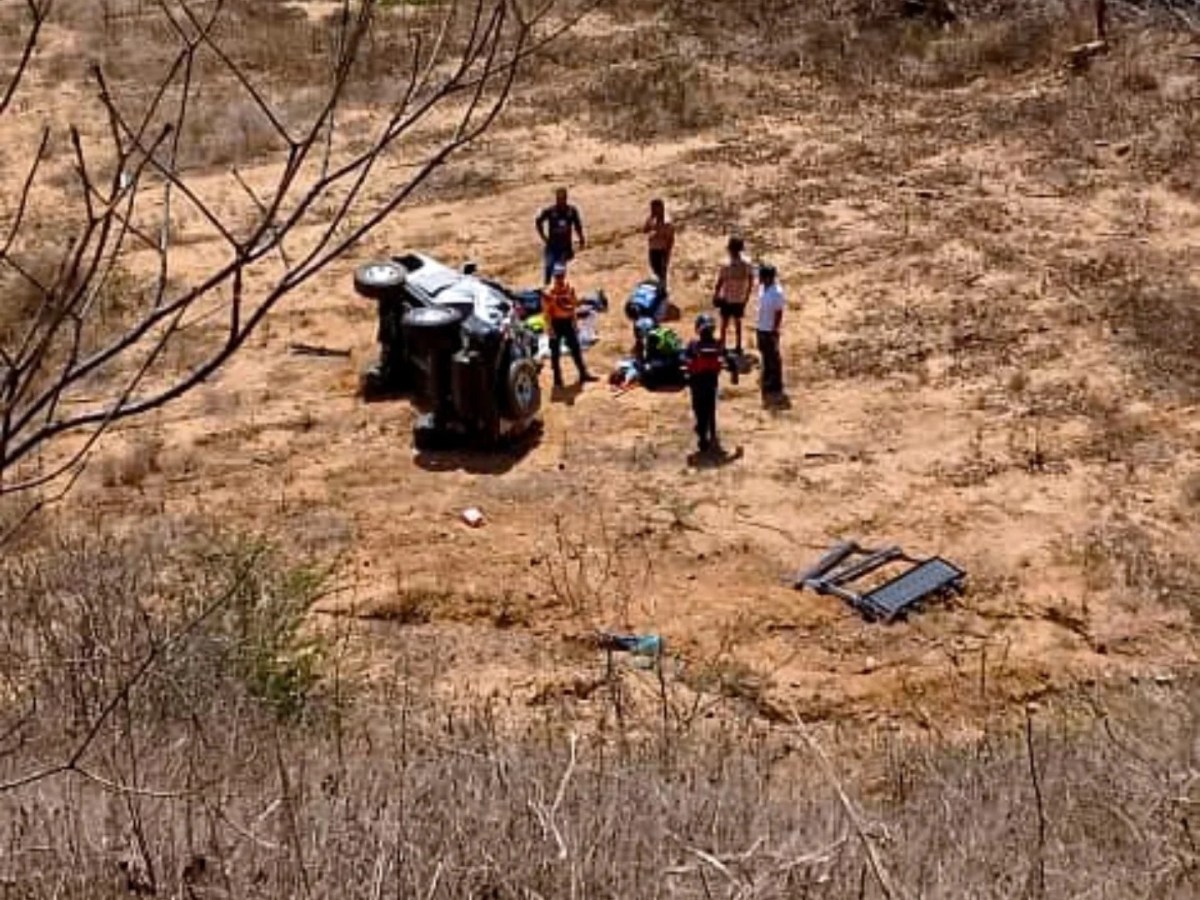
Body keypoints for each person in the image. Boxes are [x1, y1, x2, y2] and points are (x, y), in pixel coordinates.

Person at [542, 262, 597, 388]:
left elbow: (573, 306)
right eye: (557, 276)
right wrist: (550, 329)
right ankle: (557, 380)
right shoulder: (549, 292)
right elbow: (546, 313)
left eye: (561, 276)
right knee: (555, 353)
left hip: (567, 322)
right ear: (554, 276)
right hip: (555, 323)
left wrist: (574, 322)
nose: (560, 279)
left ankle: (583, 374)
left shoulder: (569, 288)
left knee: (576, 349)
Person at [685, 313, 724, 453]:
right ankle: (711, 434)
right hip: (711, 383)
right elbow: (727, 358)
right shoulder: (718, 345)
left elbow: (684, 358)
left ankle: (703, 437)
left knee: (699, 409)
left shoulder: (693, 345)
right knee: (710, 408)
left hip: (696, 383)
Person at [712, 235, 754, 354]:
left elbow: (720, 281)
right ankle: (738, 345)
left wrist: (715, 294)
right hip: (740, 297)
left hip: (727, 297)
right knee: (738, 321)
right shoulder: (747, 263)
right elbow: (751, 279)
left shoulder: (726, 264)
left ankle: (723, 345)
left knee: (724, 323)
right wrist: (747, 295)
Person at [535, 188, 585, 286]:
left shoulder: (571, 211)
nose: (561, 202)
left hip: (564, 247)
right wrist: (543, 236)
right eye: (559, 200)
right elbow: (538, 221)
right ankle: (547, 286)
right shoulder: (550, 211)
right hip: (552, 246)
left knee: (559, 271)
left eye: (563, 199)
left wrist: (581, 238)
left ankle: (558, 291)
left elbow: (577, 225)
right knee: (548, 267)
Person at [755, 263, 786, 401]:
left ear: (767, 277)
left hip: (770, 329)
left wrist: (774, 330)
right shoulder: (762, 288)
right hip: (761, 327)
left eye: (761, 276)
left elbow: (779, 313)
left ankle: (775, 384)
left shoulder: (777, 292)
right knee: (765, 354)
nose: (759, 278)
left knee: (773, 357)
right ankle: (767, 380)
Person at [643, 198, 675, 293]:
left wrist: (667, 255)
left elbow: (670, 240)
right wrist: (650, 220)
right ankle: (658, 290)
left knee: (662, 273)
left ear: (661, 208)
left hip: (662, 251)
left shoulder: (667, 222)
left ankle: (662, 291)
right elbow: (644, 230)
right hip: (652, 249)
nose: (653, 210)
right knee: (655, 271)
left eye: (655, 208)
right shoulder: (652, 219)